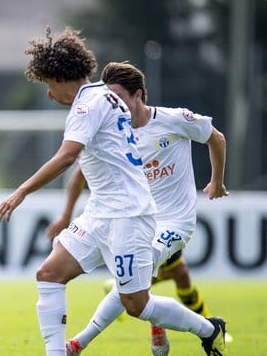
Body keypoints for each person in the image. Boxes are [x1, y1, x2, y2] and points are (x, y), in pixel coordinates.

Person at [0, 27, 227, 356]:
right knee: (49, 273)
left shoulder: (87, 106)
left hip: (129, 216)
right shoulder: (104, 97)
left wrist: (20, 192)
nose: (49, 94)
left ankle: (208, 328)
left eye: (49, 84)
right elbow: (88, 163)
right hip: (101, 212)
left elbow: (68, 156)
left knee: (136, 304)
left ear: (62, 78)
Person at [46, 61, 229, 356]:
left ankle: (78, 343)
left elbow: (216, 137)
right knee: (133, 289)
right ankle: (175, 327)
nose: (113, 104)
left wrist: (216, 181)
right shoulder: (113, 131)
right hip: (133, 218)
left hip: (173, 222)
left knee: (131, 290)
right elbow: (79, 173)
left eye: (119, 98)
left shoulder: (174, 120)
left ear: (139, 95)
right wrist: (67, 215)